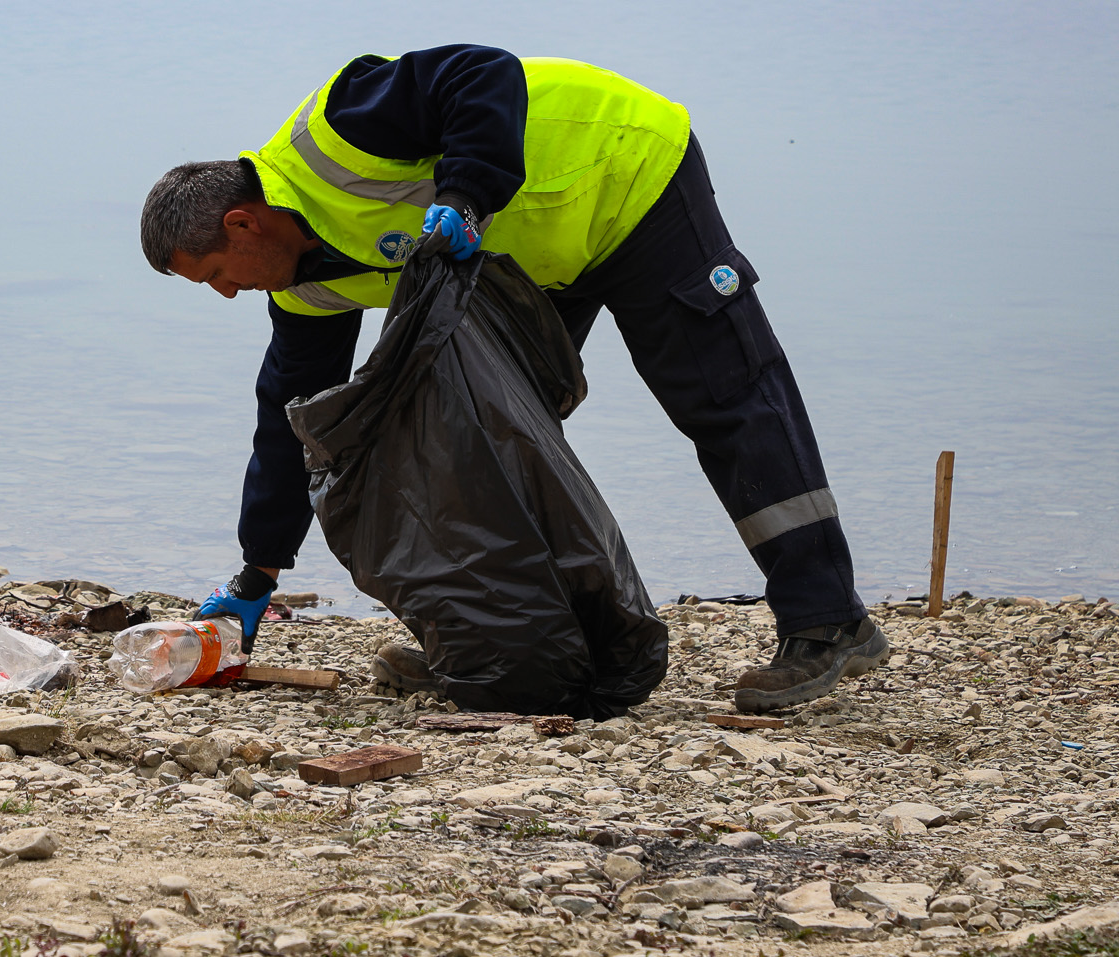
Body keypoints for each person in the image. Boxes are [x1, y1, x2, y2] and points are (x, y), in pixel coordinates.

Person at [139, 45, 886, 713]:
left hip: (622, 175)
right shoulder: (301, 286)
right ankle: (505, 647)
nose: (226, 294)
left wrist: (465, 193)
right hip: (537, 259)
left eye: (213, 276)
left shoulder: (338, 130)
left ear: (243, 224)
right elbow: (290, 421)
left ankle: (828, 621)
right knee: (465, 437)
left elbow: (482, 73)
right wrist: (255, 573)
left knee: (725, 400)